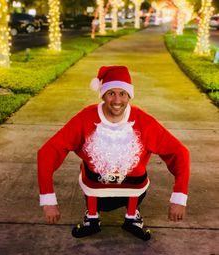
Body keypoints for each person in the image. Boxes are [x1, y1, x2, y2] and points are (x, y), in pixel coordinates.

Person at [37, 65, 190, 241]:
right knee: (93, 192)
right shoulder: (86, 117)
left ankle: (132, 218)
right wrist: (48, 200)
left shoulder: (143, 121)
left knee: (135, 192)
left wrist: (179, 197)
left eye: (123, 94)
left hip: (133, 189)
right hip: (95, 188)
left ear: (129, 96)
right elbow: (49, 151)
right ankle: (92, 218)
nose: (117, 100)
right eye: (111, 93)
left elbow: (180, 152)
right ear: (102, 94)